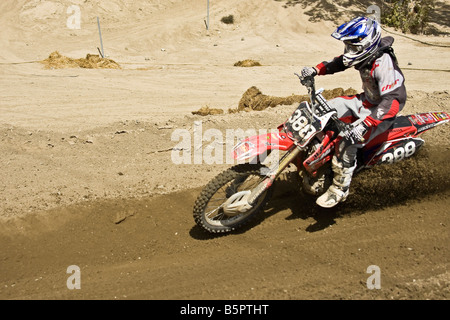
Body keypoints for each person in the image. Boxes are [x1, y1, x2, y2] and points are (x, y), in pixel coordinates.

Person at [300, 16, 407, 208]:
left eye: (353, 47)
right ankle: (315, 157)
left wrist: (366, 124)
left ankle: (339, 188)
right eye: (347, 46)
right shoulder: (365, 54)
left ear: (368, 43)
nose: (349, 51)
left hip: (381, 113)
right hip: (366, 101)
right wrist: (315, 70)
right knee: (322, 110)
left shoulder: (383, 64)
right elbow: (340, 62)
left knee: (347, 141)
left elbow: (393, 101)